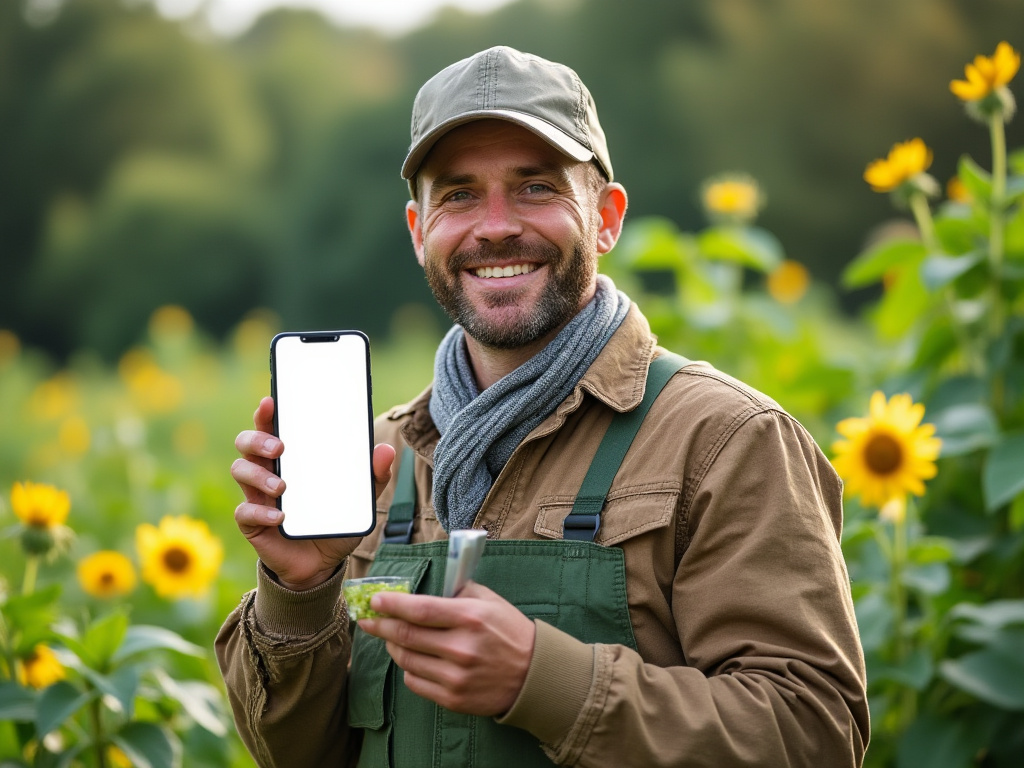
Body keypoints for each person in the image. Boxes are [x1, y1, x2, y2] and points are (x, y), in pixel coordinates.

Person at [216, 45, 869, 767]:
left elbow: (815, 735)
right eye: (459, 194)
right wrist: (300, 592)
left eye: (534, 188)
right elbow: (300, 754)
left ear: (606, 218)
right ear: (417, 231)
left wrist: (542, 680)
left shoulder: (725, 440)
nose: (494, 225)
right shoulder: (378, 461)